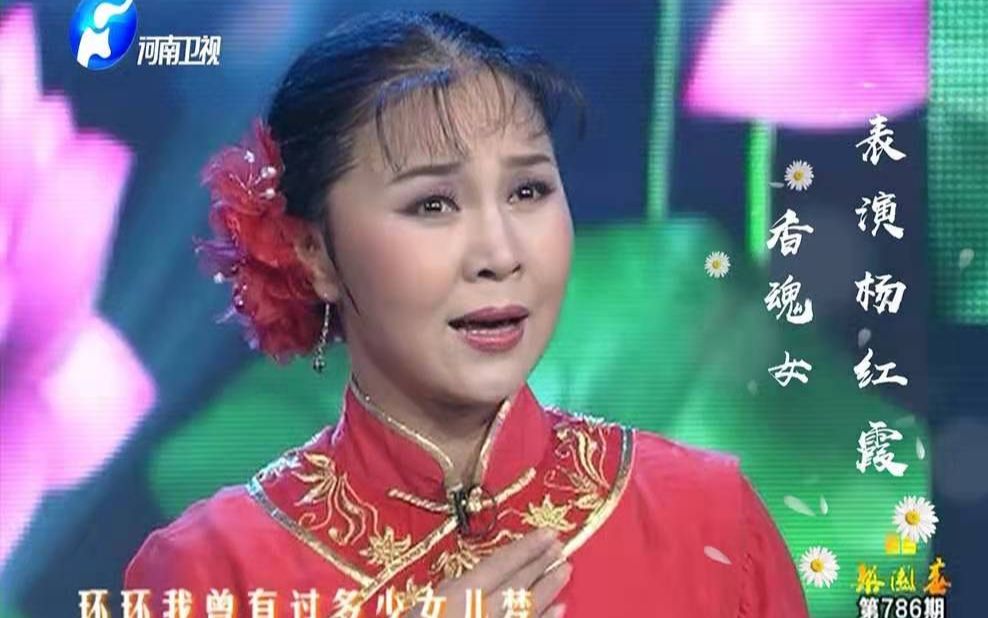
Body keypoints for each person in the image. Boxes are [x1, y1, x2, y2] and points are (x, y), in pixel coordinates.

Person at [125, 10, 809, 618]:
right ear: (315, 253)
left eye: (529, 191)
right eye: (433, 204)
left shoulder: (710, 517)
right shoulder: (208, 572)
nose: (500, 254)